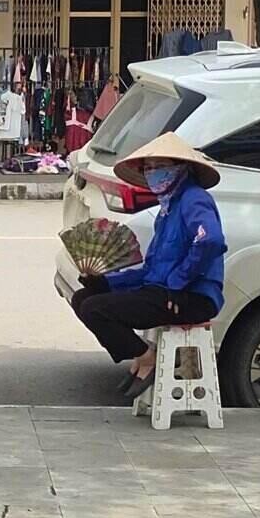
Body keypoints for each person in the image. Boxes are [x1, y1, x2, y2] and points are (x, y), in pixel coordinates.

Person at [70, 132, 227, 400]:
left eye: (161, 167)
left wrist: (178, 282)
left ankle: (146, 357)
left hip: (192, 296)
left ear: (181, 169)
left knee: (94, 309)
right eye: (149, 168)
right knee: (84, 297)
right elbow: (150, 271)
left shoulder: (194, 199)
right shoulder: (166, 211)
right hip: (161, 291)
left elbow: (209, 240)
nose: (153, 173)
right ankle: (141, 354)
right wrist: (105, 282)